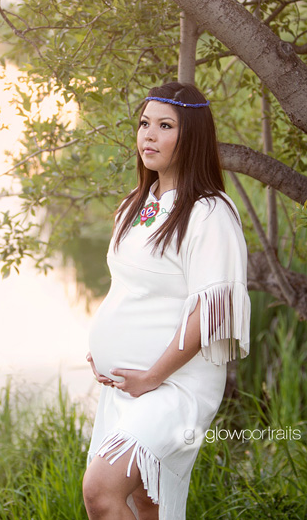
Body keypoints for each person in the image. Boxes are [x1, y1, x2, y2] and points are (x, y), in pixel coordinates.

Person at [82, 82, 250, 520]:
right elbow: (128, 286)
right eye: (144, 124)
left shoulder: (209, 213)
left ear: (191, 136)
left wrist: (152, 376)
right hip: (126, 386)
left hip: (173, 385)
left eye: (165, 126)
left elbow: (213, 310)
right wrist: (103, 347)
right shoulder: (135, 205)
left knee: (101, 491)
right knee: (145, 499)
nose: (149, 135)